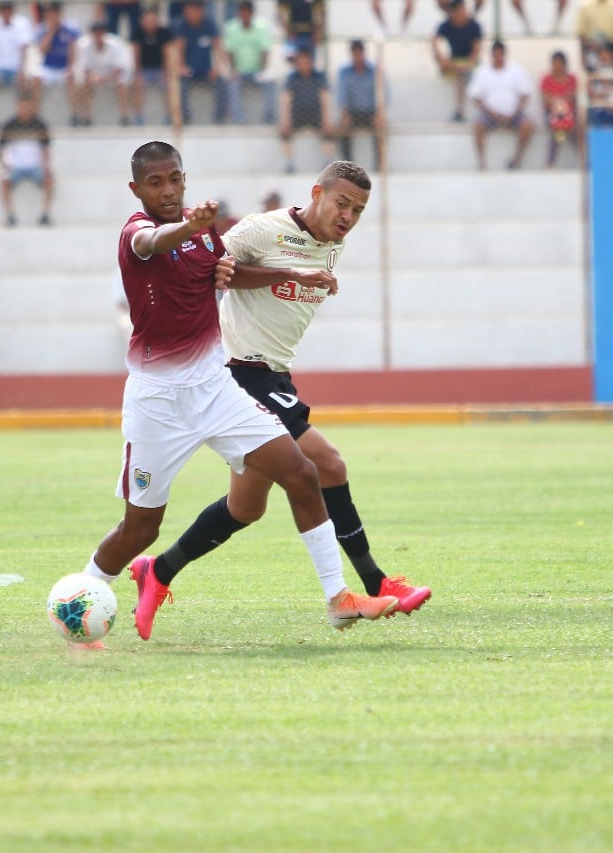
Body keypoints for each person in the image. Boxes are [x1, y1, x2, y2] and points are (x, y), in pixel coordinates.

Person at [80, 140, 398, 645]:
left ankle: (340, 599)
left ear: (185, 179)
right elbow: (153, 244)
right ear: (136, 188)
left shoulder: (208, 240)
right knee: (140, 529)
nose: (167, 189)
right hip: (157, 402)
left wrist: (276, 272)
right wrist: (189, 227)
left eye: (175, 179)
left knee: (303, 472)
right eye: (156, 182)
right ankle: (84, 599)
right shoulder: (137, 232)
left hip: (215, 388)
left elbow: (233, 274)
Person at [467, 39, 534, 171]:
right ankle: (482, 163)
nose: (498, 57)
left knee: (528, 126)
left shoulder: (516, 71)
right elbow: (476, 97)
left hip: (513, 114)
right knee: (477, 126)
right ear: (491, 55)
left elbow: (525, 94)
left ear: (505, 54)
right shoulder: (483, 72)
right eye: (495, 54)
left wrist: (516, 111)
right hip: (490, 114)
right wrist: (490, 112)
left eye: (500, 54)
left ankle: (516, 160)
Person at [0, 91, 54, 226]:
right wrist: (5, 163)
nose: (24, 110)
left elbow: (45, 149)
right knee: (3, 180)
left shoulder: (39, 125)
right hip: (15, 166)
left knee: (50, 179)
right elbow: (0, 148)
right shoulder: (9, 125)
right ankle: (10, 214)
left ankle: (45, 214)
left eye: (27, 106)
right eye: (22, 106)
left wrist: (46, 166)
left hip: (35, 165)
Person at [0, 0, 36, 127]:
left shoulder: (22, 23)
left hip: (17, 67)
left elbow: (24, 50)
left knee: (28, 82)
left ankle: (27, 116)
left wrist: (22, 70)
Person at [172, 0, 227, 125]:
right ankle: (185, 117)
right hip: (189, 70)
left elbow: (217, 48)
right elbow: (179, 49)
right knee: (181, 84)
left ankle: (220, 116)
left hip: (206, 70)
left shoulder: (210, 24)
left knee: (222, 82)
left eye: (191, 10)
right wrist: (181, 67)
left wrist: (217, 67)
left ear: (200, 10)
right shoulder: (181, 25)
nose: (188, 13)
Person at [279, 48, 333, 175]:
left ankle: (326, 161)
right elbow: (286, 99)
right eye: (300, 62)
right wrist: (285, 120)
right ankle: (289, 163)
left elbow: (324, 97)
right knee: (284, 132)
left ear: (311, 62)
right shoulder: (292, 78)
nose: (303, 65)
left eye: (306, 62)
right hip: (297, 114)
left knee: (329, 131)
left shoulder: (319, 77)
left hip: (316, 114)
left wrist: (326, 119)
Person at [223, 0, 277, 126]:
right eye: (242, 12)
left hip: (257, 71)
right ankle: (239, 119)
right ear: (238, 13)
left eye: (247, 13)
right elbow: (230, 52)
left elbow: (264, 51)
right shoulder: (231, 28)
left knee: (271, 83)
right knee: (232, 84)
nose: (245, 15)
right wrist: (233, 70)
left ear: (252, 14)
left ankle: (269, 117)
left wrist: (263, 70)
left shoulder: (261, 27)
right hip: (239, 72)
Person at [72, 20, 134, 127]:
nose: (98, 35)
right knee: (82, 82)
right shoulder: (83, 45)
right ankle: (86, 116)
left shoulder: (116, 44)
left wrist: (103, 78)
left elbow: (119, 69)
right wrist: (94, 78)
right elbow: (84, 69)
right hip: (93, 76)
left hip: (112, 76)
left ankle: (124, 116)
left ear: (105, 33)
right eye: (95, 33)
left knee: (122, 82)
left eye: (100, 32)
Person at [335, 39, 384, 171]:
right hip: (352, 112)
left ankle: (379, 165)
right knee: (342, 129)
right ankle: (348, 167)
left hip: (371, 112)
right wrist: (344, 115)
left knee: (381, 128)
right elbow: (342, 94)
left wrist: (379, 114)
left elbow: (383, 93)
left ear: (363, 53)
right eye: (355, 54)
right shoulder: (344, 72)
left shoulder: (374, 70)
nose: (357, 57)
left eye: (359, 53)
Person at [432, 0, 483, 123]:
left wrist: (467, 65)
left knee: (461, 75)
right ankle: (459, 112)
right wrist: (441, 59)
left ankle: (459, 112)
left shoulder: (473, 25)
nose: (463, 13)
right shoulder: (446, 25)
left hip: (469, 63)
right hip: (454, 63)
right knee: (457, 74)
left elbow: (476, 52)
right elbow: (434, 43)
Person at [34, 1, 81, 117]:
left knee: (73, 78)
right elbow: (42, 51)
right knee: (36, 79)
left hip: (64, 67)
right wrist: (51, 32)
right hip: (48, 67)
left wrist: (70, 68)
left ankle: (75, 114)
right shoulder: (42, 29)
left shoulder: (70, 29)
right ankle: (36, 114)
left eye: (54, 12)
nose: (52, 16)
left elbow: (72, 51)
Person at [130, 6, 174, 126]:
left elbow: (167, 54)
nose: (150, 23)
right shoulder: (137, 33)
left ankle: (169, 116)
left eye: (153, 20)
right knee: (137, 85)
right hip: (144, 70)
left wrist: (166, 72)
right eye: (147, 20)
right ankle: (139, 116)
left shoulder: (164, 32)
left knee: (169, 85)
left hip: (160, 69)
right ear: (142, 21)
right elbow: (136, 54)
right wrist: (137, 73)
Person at [540, 50, 582, 167]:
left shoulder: (572, 79)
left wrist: (561, 102)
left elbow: (573, 96)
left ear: (564, 64)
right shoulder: (547, 79)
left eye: (559, 63)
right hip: (553, 114)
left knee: (577, 130)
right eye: (554, 63)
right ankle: (551, 164)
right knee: (557, 130)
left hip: (569, 114)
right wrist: (557, 102)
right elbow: (545, 97)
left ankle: (585, 161)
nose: (556, 66)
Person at [575, 0, 613, 73]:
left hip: (611, 52)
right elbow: (581, 35)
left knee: (609, 77)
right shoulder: (585, 7)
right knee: (592, 77)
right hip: (591, 51)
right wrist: (583, 58)